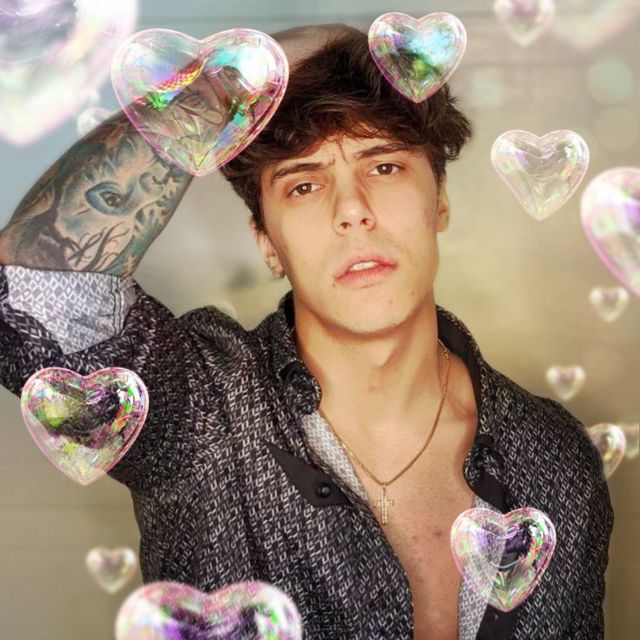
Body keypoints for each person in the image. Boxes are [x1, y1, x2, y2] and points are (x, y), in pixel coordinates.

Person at [0, 24, 613, 640]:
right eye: (305, 184)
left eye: (385, 166)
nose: (352, 210)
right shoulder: (199, 408)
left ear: (440, 201)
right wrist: (251, 70)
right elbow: (31, 287)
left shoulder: (556, 456)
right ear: (267, 242)